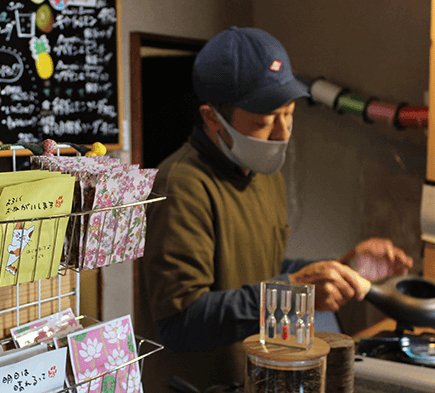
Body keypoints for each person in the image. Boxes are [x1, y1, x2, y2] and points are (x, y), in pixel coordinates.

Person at [135, 27, 413, 392]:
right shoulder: (181, 185)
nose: (283, 133)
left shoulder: (264, 175)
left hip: (253, 379)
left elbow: (258, 272)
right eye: (265, 121)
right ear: (212, 117)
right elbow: (181, 323)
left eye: (290, 113)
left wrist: (337, 270)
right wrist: (290, 292)